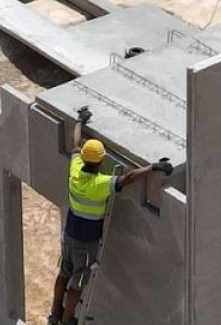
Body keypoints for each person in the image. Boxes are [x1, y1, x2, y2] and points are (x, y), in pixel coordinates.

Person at [48, 127, 172, 325]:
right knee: (78, 283)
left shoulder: (75, 170)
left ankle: (55, 313)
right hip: (86, 242)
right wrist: (154, 167)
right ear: (100, 162)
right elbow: (129, 178)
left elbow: (75, 145)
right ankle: (67, 319)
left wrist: (79, 121)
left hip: (70, 236)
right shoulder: (99, 184)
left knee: (64, 273)